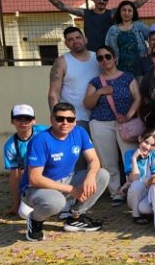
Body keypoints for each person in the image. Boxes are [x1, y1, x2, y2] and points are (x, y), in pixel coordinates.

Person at [21, 102, 109, 241]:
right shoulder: (40, 140)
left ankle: (75, 217)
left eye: (70, 119)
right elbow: (35, 178)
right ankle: (35, 220)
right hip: (37, 188)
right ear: (51, 119)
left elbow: (94, 160)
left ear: (75, 120)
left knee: (102, 175)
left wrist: (90, 176)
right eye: (60, 118)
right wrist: (72, 189)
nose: (65, 123)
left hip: (67, 180)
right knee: (57, 202)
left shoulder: (79, 132)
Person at [83, 45, 141, 205]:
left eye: (107, 56)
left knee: (130, 157)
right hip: (101, 123)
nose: (104, 60)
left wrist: (128, 115)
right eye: (100, 58)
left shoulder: (128, 77)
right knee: (108, 160)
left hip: (125, 124)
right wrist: (99, 92)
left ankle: (133, 189)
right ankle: (115, 192)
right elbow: (87, 103)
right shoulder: (95, 82)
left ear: (115, 58)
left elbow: (137, 98)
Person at [37, 0, 155, 51]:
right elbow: (63, 7)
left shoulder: (112, 14)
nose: (101, 1)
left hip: (109, 55)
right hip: (91, 54)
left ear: (107, 1)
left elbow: (133, 5)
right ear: (94, 0)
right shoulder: (85, 13)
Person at [47, 27, 99, 131]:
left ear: (85, 39)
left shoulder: (98, 58)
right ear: (66, 44)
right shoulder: (61, 62)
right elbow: (53, 93)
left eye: (78, 37)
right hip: (74, 119)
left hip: (99, 117)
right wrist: (56, 117)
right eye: (70, 39)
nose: (75, 41)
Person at [3, 104, 48, 218]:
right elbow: (15, 177)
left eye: (27, 119)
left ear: (34, 121)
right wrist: (15, 205)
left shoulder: (45, 133)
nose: (23, 122)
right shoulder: (10, 146)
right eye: (19, 119)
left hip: (53, 174)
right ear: (12, 121)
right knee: (24, 213)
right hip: (33, 181)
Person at [124, 130, 155, 224]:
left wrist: (127, 184)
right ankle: (136, 216)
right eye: (146, 142)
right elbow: (134, 179)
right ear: (139, 139)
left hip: (149, 193)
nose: (148, 147)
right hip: (135, 195)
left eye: (151, 145)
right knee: (136, 185)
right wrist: (134, 159)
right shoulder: (129, 154)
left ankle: (150, 214)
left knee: (144, 208)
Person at [104, 0, 151, 76]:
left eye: (129, 11)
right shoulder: (113, 30)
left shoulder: (139, 26)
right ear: (120, 12)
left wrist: (150, 49)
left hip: (140, 65)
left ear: (133, 13)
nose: (127, 13)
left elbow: (153, 37)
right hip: (120, 66)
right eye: (124, 10)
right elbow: (108, 48)